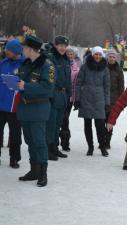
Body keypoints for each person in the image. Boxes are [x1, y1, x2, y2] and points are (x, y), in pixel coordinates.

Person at [17, 35, 55, 187]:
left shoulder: (47, 66)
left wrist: (26, 86)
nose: (23, 50)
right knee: (29, 141)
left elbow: (48, 88)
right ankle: (34, 170)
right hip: (25, 108)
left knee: (39, 142)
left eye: (24, 47)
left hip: (39, 108)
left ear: (31, 49)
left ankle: (43, 173)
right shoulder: (26, 64)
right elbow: (20, 80)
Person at [75, 46, 110, 157]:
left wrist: (107, 102)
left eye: (99, 54)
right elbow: (78, 83)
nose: (97, 56)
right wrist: (77, 98)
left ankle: (103, 147)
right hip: (86, 98)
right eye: (96, 54)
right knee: (87, 125)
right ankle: (90, 147)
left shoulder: (105, 68)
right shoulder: (85, 67)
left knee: (100, 126)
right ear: (92, 55)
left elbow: (107, 86)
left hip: (99, 99)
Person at [45, 35, 72, 160]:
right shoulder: (51, 58)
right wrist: (49, 95)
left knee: (58, 124)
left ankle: (55, 148)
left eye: (64, 46)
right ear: (55, 45)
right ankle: (48, 149)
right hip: (53, 94)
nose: (62, 48)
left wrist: (69, 94)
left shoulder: (65, 59)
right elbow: (49, 78)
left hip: (63, 95)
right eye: (60, 45)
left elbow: (68, 79)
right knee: (51, 124)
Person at [0, 39, 25, 168]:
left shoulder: (25, 64)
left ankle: (14, 158)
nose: (5, 51)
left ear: (15, 52)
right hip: (1, 104)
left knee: (15, 135)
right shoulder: (3, 63)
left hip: (15, 106)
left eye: (8, 50)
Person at [59, 47, 80, 151]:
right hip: (59, 95)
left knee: (65, 119)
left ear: (74, 55)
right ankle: (55, 139)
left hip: (70, 98)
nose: (70, 55)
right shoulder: (60, 64)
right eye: (68, 53)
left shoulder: (76, 68)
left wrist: (75, 99)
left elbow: (76, 85)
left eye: (72, 54)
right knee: (58, 119)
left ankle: (65, 142)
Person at [105, 50, 124, 149]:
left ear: (116, 58)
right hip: (103, 98)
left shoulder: (119, 70)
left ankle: (107, 142)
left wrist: (121, 101)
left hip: (114, 99)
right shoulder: (103, 67)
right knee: (101, 121)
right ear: (107, 58)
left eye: (113, 57)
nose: (112, 59)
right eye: (110, 57)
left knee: (110, 121)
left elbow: (121, 86)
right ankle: (102, 140)